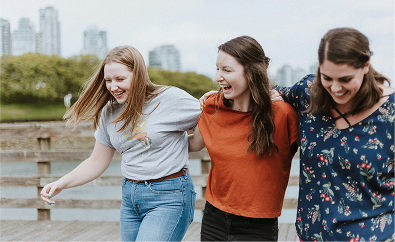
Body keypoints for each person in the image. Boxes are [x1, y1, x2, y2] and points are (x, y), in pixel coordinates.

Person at [40, 45, 201, 242]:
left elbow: (210, 122)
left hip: (169, 197)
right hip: (131, 199)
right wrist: (61, 183)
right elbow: (97, 161)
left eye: (120, 79)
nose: (112, 86)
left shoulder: (169, 99)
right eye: (108, 80)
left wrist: (191, 139)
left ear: (138, 75)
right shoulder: (109, 111)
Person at [272, 28, 395, 241]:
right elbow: (269, 93)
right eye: (327, 77)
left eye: (345, 79)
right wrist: (215, 99)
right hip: (310, 236)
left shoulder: (391, 113)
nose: (335, 88)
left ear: (366, 66)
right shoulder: (308, 91)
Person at [189, 36, 299, 242]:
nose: (218, 77)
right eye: (217, 69)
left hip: (258, 226)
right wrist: (150, 139)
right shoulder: (211, 106)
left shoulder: (283, 113)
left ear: (251, 72)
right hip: (214, 218)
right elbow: (193, 144)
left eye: (227, 70)